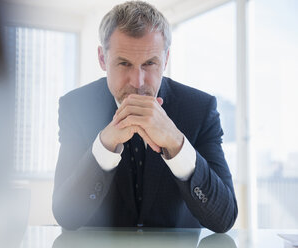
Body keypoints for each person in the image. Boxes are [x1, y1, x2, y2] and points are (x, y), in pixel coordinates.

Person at [52, 1, 237, 233]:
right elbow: (66, 216)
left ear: (166, 59)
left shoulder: (199, 109)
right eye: (124, 63)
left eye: (150, 63)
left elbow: (224, 218)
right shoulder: (76, 107)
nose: (137, 82)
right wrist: (104, 146)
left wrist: (177, 145)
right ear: (102, 59)